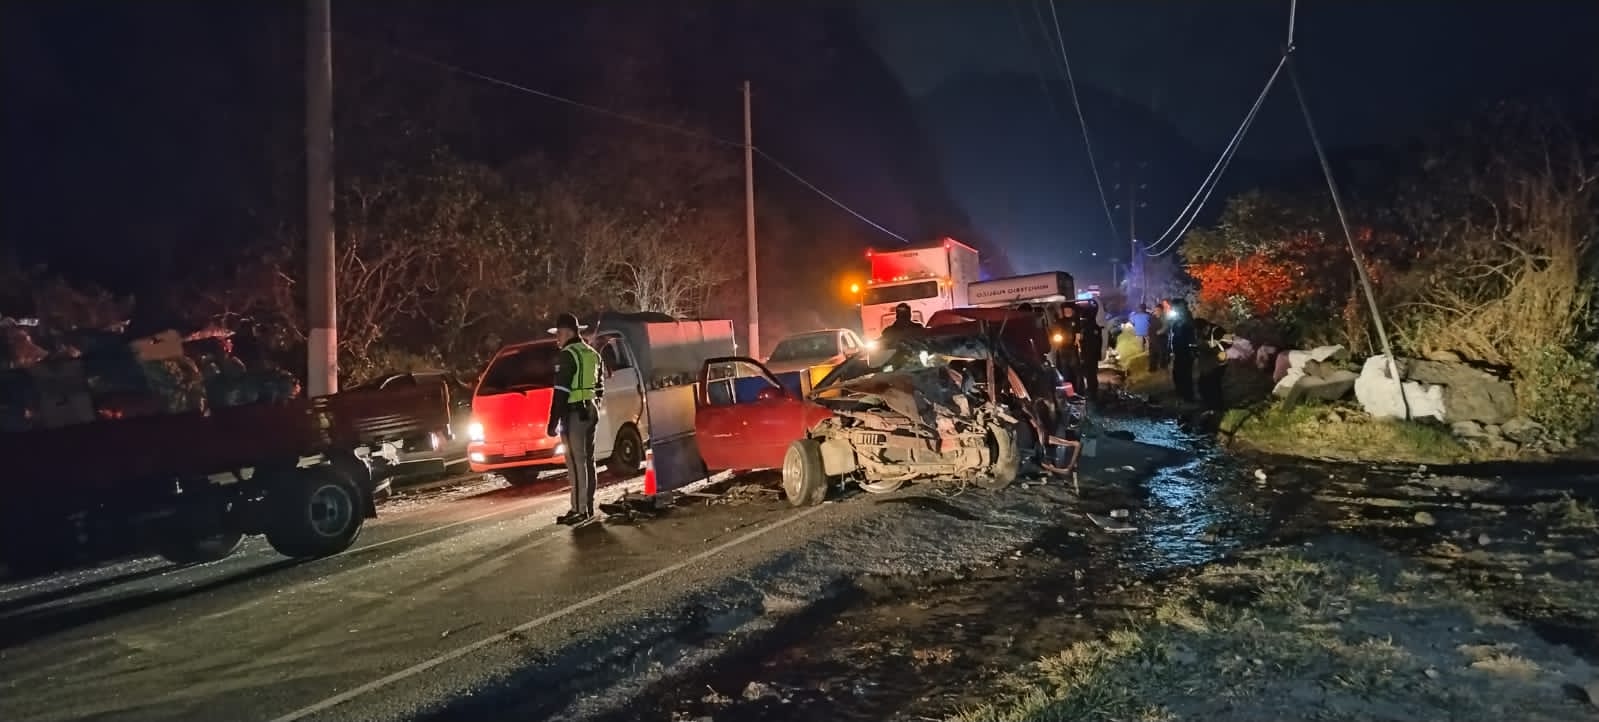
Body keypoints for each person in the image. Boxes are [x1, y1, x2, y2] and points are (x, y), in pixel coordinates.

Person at [547, 312, 605, 526]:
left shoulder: (568, 354)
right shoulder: (591, 353)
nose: (557, 339)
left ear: (569, 332)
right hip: (590, 412)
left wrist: (552, 423)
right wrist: (594, 405)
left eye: (559, 334)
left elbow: (561, 391)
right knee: (588, 462)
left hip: (574, 414)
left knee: (575, 463)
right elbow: (600, 386)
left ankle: (579, 510)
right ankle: (586, 507)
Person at [1195, 321, 1231, 413]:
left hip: (1218, 363)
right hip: (1208, 363)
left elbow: (1229, 342)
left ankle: (1217, 407)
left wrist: (1209, 345)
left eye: (1201, 331)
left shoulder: (1218, 330)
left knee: (1213, 385)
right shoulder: (1201, 332)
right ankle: (1210, 406)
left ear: (1205, 327)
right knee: (1204, 385)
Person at [1167, 300, 1197, 402]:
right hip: (1179, 351)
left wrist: (1192, 350)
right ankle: (1182, 393)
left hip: (1186, 351)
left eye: (1175, 307)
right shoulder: (1177, 319)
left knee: (1185, 374)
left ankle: (1188, 396)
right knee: (1178, 373)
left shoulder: (1187, 319)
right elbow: (1173, 334)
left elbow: (1190, 336)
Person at [1074, 300, 1104, 400]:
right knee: (1091, 373)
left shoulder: (1086, 327)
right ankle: (1092, 391)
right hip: (1092, 354)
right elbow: (1099, 342)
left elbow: (1087, 342)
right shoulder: (1094, 326)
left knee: (1089, 373)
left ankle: (1091, 392)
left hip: (1088, 354)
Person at [1049, 305, 1080, 397]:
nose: (1067, 312)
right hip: (1063, 349)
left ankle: (1077, 391)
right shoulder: (1060, 322)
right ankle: (1068, 392)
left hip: (1072, 349)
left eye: (1069, 310)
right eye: (1065, 310)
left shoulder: (1076, 321)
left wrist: (1077, 341)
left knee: (1075, 371)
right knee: (1065, 371)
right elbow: (1056, 331)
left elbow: (1078, 334)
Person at [1148, 299, 1170, 373]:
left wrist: (1160, 332)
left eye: (1158, 310)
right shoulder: (1152, 317)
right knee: (1152, 353)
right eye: (1156, 310)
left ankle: (1163, 366)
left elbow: (1166, 326)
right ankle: (1152, 367)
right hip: (1152, 338)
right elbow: (1150, 326)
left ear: (1161, 310)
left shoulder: (1164, 317)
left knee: (1162, 352)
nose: (1156, 311)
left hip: (1161, 338)